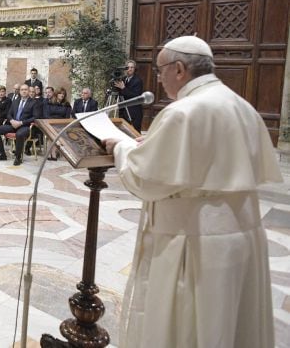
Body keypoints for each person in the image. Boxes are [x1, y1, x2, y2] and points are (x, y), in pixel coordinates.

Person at [103, 36, 281, 348]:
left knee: (190, 327)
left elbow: (145, 179)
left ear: (180, 69)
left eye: (160, 72)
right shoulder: (242, 106)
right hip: (242, 235)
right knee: (230, 324)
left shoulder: (183, 112)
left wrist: (123, 146)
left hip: (193, 242)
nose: (159, 80)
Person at [0, 84, 37, 165]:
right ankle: (1, 154)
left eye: (26, 90)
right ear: (20, 91)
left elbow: (35, 117)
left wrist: (21, 123)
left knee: (19, 134)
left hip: (25, 126)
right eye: (22, 90)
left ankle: (18, 157)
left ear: (28, 91)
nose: (24, 91)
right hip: (13, 124)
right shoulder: (15, 101)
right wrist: (11, 121)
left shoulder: (34, 102)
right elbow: (9, 114)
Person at [114, 60, 144, 132]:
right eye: (128, 67)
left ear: (134, 69)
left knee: (134, 133)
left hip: (134, 113)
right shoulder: (123, 79)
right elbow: (120, 93)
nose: (129, 69)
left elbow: (136, 96)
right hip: (123, 111)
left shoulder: (138, 80)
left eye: (132, 67)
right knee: (123, 133)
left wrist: (123, 88)